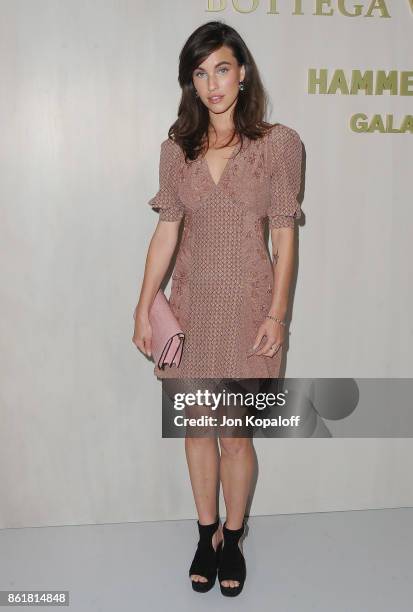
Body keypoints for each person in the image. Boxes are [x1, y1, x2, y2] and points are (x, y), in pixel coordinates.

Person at [132, 21, 304, 597]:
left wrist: (276, 316)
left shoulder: (279, 144)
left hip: (252, 309)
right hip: (192, 309)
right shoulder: (175, 150)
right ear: (191, 82)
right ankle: (205, 531)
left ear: (243, 71)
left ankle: (233, 536)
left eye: (222, 69)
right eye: (200, 74)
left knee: (236, 436)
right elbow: (165, 233)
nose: (213, 84)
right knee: (198, 431)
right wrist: (141, 306)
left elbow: (284, 237)